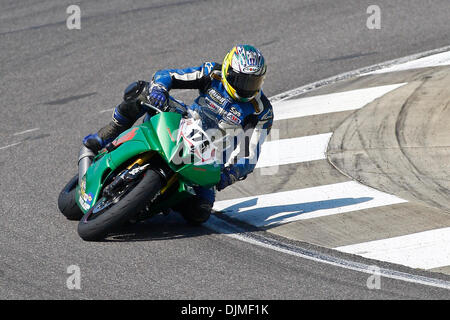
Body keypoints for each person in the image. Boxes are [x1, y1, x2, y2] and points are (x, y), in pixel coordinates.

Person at [82, 44, 273, 224]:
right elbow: (168, 75)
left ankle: (156, 201)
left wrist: (229, 175)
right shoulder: (212, 73)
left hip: (209, 157)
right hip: (183, 123)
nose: (245, 87)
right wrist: (160, 89)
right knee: (142, 91)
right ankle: (107, 134)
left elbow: (249, 154)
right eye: (241, 80)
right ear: (227, 70)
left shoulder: (262, 111)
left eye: (252, 82)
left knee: (199, 213)